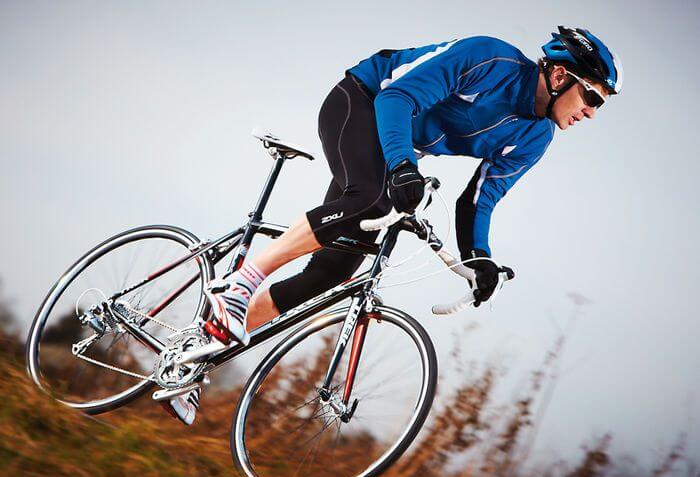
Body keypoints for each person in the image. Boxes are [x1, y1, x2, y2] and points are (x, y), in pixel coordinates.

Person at [167, 26, 623, 424]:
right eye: (593, 96)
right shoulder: (491, 58)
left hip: (398, 150)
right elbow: (396, 97)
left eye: (600, 105)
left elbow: (479, 201)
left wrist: (480, 260)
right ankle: (243, 281)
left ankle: (192, 362)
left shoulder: (535, 136)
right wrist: (404, 166)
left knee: (331, 273)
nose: (592, 112)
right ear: (561, 76)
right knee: (368, 199)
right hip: (363, 102)